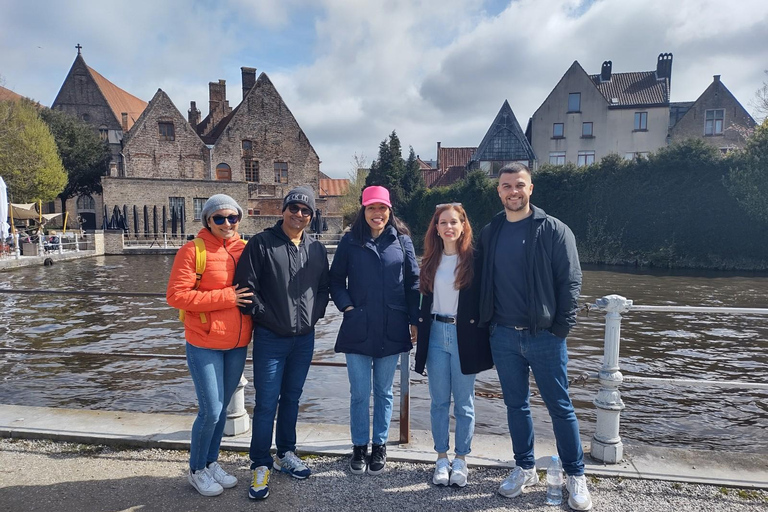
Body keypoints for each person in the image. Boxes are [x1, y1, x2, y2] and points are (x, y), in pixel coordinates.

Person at [476, 162, 592, 511]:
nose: (513, 191)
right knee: (516, 406)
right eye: (506, 185)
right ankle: (524, 466)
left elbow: (570, 282)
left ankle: (575, 474)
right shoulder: (491, 231)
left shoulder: (554, 230)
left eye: (519, 185)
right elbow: (476, 276)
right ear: (498, 190)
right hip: (503, 335)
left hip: (544, 336)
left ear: (531, 188)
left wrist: (560, 330)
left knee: (560, 407)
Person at [234, 186, 330, 501]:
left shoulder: (315, 249)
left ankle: (285, 453)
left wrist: (313, 319)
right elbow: (245, 290)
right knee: (266, 403)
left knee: (291, 398)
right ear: (283, 210)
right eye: (294, 208)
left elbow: (323, 289)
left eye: (306, 210)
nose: (299, 214)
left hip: (304, 338)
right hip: (271, 338)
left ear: (312, 215)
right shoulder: (261, 244)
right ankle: (260, 462)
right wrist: (269, 318)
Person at [166, 194, 253, 497]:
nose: (227, 223)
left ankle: (211, 461)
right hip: (204, 342)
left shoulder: (245, 249)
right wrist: (227, 297)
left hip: (238, 342)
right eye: (219, 218)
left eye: (233, 218)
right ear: (208, 221)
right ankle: (196, 469)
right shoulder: (192, 251)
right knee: (211, 411)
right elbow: (176, 296)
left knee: (223, 406)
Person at [329, 185, 420, 476]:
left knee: (384, 392)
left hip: (392, 326)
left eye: (382, 208)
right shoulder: (349, 242)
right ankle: (359, 446)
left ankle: (379, 444)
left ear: (389, 210)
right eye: (371, 208)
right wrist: (347, 308)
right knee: (359, 393)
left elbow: (413, 284)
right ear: (363, 210)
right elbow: (335, 281)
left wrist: (414, 320)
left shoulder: (402, 241)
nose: (377, 213)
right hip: (358, 326)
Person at [414, 203, 493, 488]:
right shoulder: (430, 260)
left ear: (463, 226)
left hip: (464, 335)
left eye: (454, 222)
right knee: (438, 401)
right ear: (436, 228)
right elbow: (421, 300)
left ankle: (461, 458)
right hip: (435, 333)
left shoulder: (475, 260)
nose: (449, 227)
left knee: (464, 402)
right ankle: (441, 457)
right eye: (443, 222)